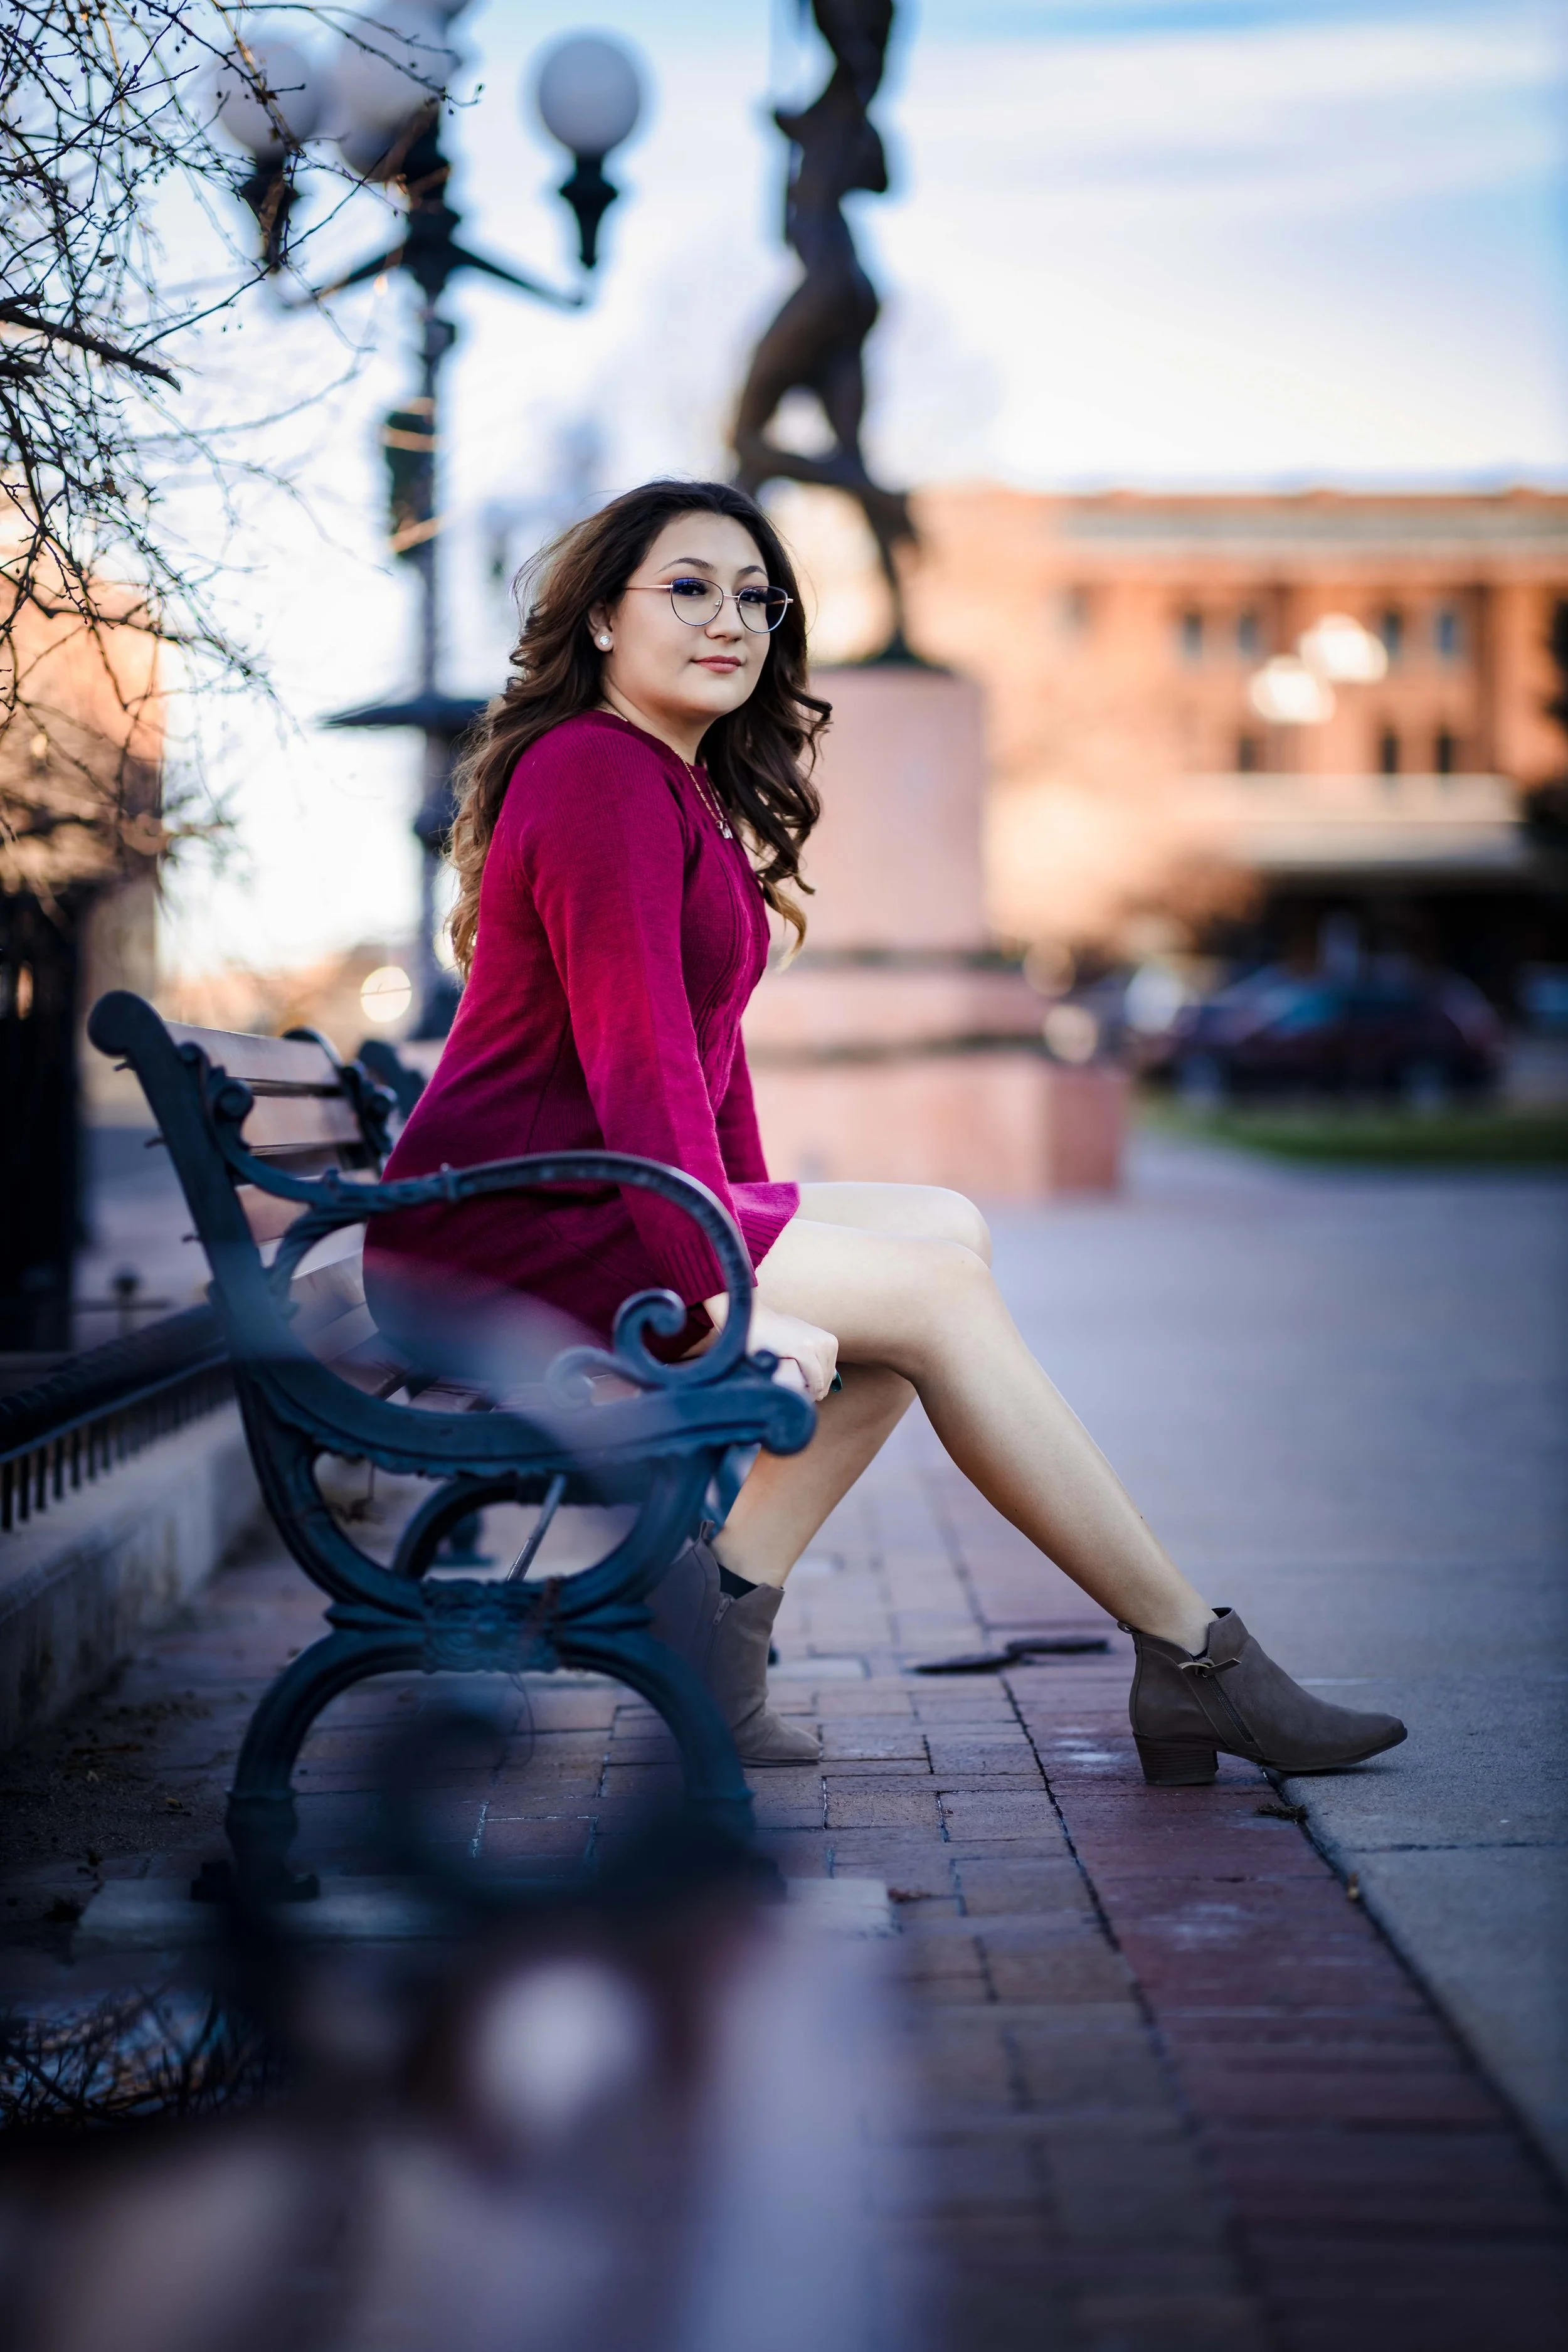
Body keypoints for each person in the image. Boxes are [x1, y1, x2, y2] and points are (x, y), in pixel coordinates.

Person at [366, 479, 1406, 1783]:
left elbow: (707, 1059)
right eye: (688, 588)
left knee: (942, 1238)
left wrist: (749, 1227)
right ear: (600, 621)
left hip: (581, 1199)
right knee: (931, 1299)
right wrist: (722, 1288)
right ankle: (1194, 1658)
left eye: (755, 597)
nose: (729, 620)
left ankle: (716, 1633)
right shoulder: (594, 771)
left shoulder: (672, 786)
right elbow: (638, 1057)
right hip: (498, 1234)